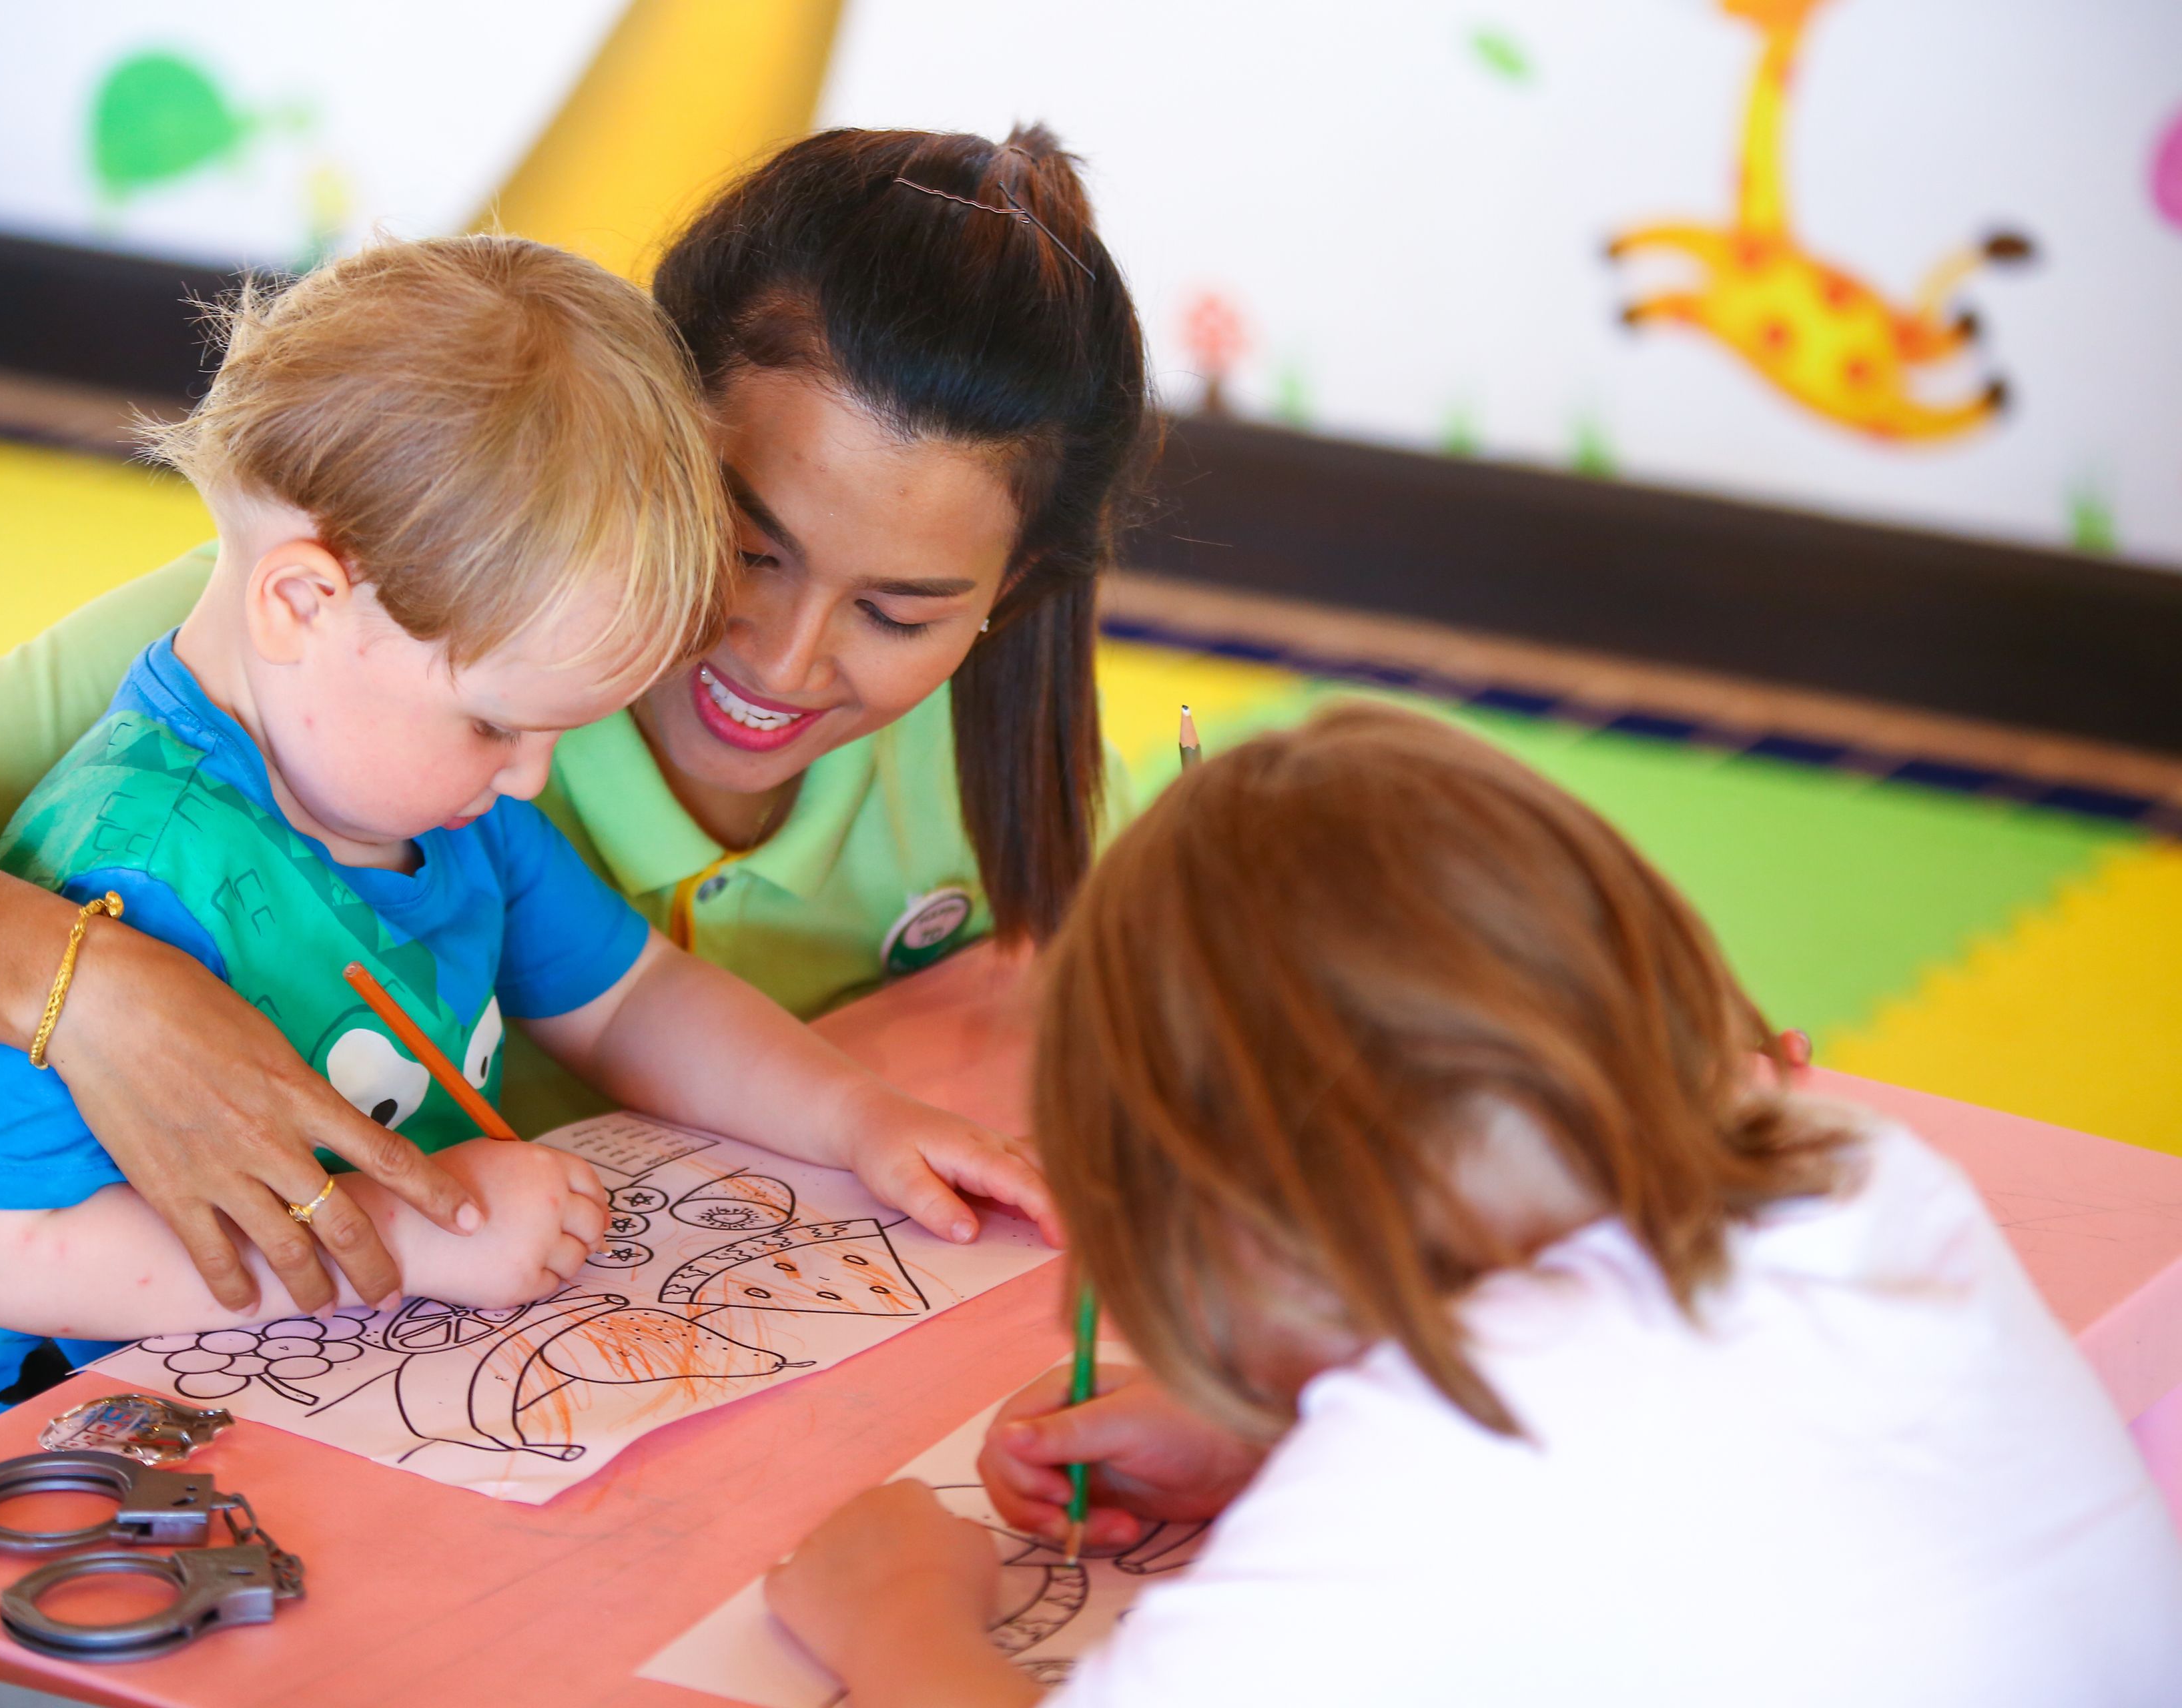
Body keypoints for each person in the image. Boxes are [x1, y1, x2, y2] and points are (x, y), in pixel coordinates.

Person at [0, 125, 1147, 1318]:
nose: (784, 651)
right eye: (740, 546)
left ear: (1006, 600)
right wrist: (95, 993)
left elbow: (633, 998)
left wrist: (862, 1116)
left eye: (900, 613)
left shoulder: (969, 744)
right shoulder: (327, 626)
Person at [764, 703, 2182, 1708]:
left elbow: (1496, 1477)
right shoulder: (1849, 1165)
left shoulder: (1450, 1450)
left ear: (1233, 1223)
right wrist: (1286, 1429)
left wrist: (897, 1613)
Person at [0, 234, 1049, 1422]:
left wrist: (856, 1118)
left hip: (393, 1390)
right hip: (135, 1426)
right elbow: (6, 1249)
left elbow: (633, 1000)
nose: (529, 781)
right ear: (302, 602)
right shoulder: (135, 870)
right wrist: (402, 1246)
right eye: (494, 726)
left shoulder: (427, 799)